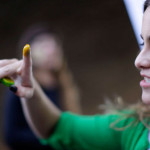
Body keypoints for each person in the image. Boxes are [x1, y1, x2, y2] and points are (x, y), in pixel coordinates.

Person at [1, 0, 150, 149]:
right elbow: (59, 130)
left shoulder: (64, 86)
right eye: (143, 44)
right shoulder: (135, 128)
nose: (138, 60)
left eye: (53, 46)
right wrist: (32, 94)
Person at [3, 24, 81, 150]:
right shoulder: (21, 87)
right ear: (29, 54)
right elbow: (12, 137)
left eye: (54, 44)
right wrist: (54, 141)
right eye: (44, 45)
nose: (52, 50)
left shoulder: (62, 86)